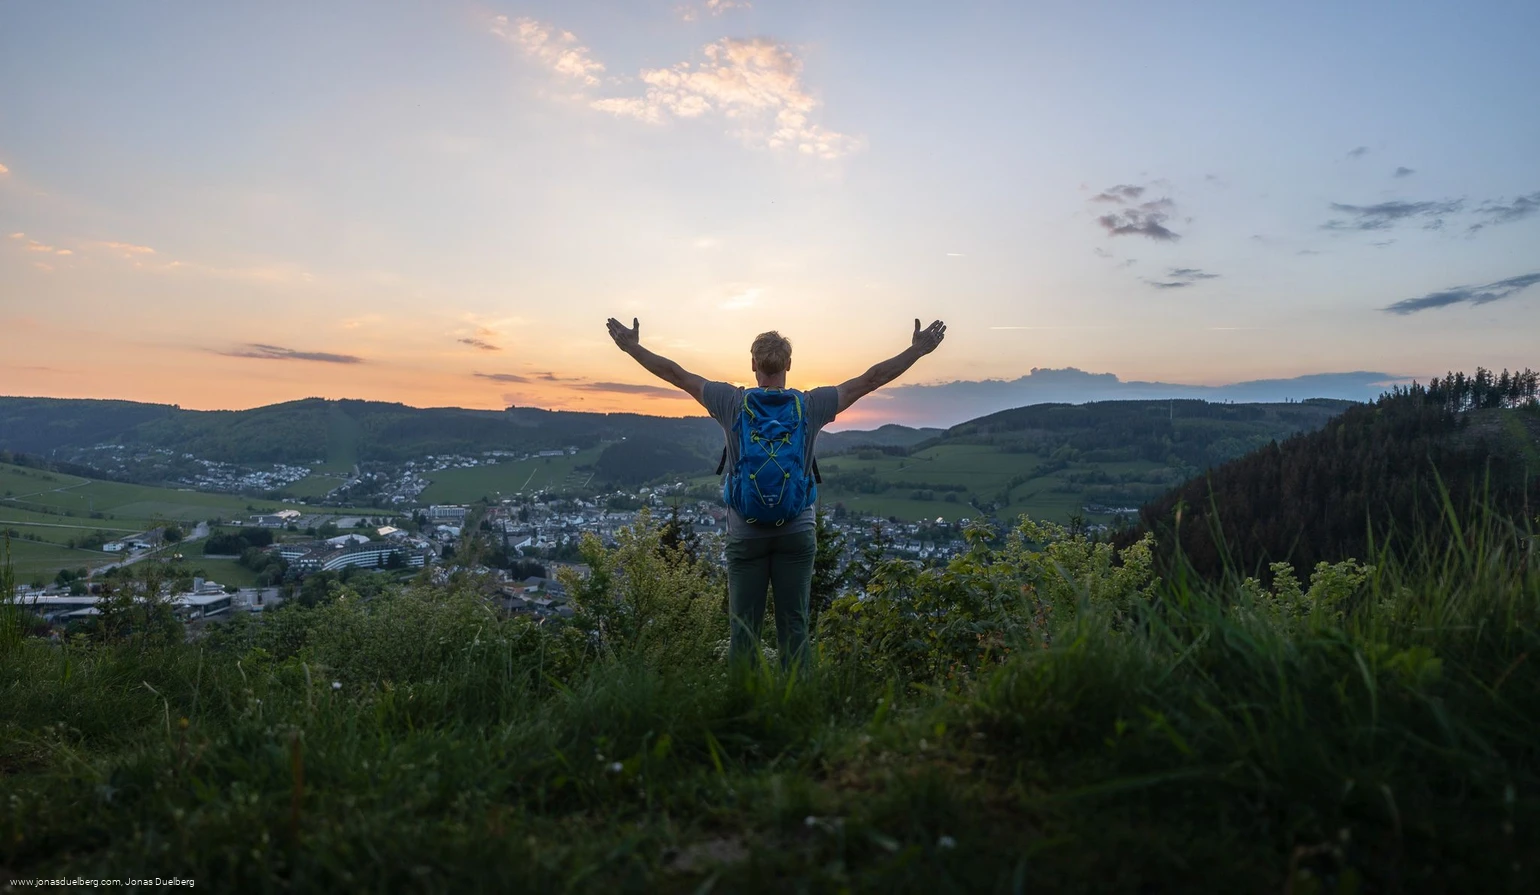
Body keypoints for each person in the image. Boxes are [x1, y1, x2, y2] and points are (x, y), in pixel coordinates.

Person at [605, 316, 947, 671]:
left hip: (745, 533)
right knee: (794, 626)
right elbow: (871, 379)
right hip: (796, 531)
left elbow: (676, 374)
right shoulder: (812, 404)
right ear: (789, 365)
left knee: (743, 631)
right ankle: (796, 711)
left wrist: (632, 347)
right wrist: (917, 350)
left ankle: (746, 711)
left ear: (753, 365)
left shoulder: (729, 401)